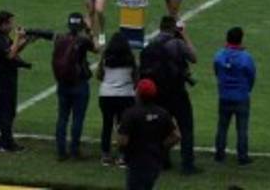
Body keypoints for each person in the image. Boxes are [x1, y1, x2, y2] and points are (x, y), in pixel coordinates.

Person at [139, 16, 199, 175]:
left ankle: (163, 161)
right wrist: (185, 35)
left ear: (160, 27)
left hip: (158, 94)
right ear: (174, 28)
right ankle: (187, 165)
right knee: (186, 128)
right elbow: (194, 57)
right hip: (177, 93)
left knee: (162, 129)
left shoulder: (150, 45)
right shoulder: (177, 43)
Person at [118, 77, 181, 190]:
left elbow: (123, 140)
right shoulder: (163, 113)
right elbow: (176, 136)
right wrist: (161, 147)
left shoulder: (130, 114)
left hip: (136, 161)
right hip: (155, 160)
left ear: (138, 94)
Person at [0, 11, 32, 152]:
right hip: (2, 79)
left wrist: (26, 40)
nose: (12, 26)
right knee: (7, 111)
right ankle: (7, 143)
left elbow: (14, 50)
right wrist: (18, 38)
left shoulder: (2, 37)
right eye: (10, 23)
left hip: (1, 78)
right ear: (3, 23)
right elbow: (10, 55)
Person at [52, 12, 97, 161]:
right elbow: (97, 48)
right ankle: (74, 150)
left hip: (63, 83)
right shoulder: (82, 41)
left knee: (62, 117)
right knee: (77, 118)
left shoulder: (60, 39)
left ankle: (60, 150)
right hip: (79, 84)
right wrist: (90, 30)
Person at [213, 26, 256, 166]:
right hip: (241, 96)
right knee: (242, 129)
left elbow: (217, 71)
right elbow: (251, 76)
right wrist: (246, 89)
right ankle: (242, 157)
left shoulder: (219, 55)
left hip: (224, 96)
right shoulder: (246, 57)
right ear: (241, 40)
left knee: (222, 126)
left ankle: (219, 154)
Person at [97, 34, 137, 166]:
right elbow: (136, 78)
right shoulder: (131, 59)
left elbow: (99, 75)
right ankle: (122, 156)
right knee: (123, 127)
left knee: (107, 126)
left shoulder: (106, 58)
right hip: (125, 96)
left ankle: (105, 155)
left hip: (106, 95)